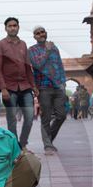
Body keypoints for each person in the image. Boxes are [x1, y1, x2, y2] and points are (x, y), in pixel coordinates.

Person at [0, 17, 36, 149]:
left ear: (18, 27)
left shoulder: (23, 44)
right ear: (5, 28)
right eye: (10, 26)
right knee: (11, 120)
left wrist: (33, 85)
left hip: (25, 86)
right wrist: (3, 89)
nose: (13, 28)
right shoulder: (0, 45)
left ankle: (22, 143)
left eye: (15, 25)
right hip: (9, 88)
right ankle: (15, 147)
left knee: (30, 117)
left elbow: (27, 67)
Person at [28, 25, 67, 154]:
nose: (41, 34)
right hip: (43, 87)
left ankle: (48, 139)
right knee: (46, 117)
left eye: (42, 32)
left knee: (61, 115)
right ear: (34, 36)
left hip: (58, 87)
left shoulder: (54, 48)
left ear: (46, 33)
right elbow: (37, 65)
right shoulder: (32, 50)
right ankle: (48, 145)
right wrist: (47, 51)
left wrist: (63, 82)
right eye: (38, 33)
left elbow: (59, 65)